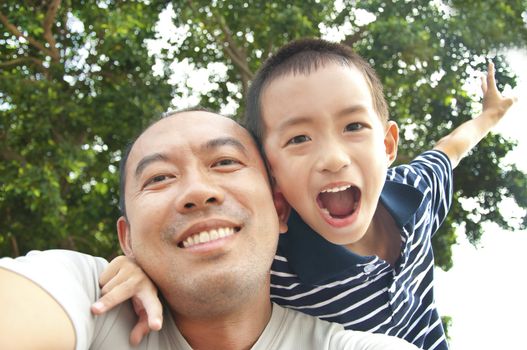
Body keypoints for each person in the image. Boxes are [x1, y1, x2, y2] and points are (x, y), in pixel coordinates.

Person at [95, 39, 516, 350]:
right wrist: (139, 270)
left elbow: (451, 149)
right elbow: (198, 268)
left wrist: (489, 116)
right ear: (271, 178)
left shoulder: (416, 191)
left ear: (387, 147)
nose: (332, 158)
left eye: (354, 127)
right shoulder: (271, 257)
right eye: (299, 138)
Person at [0, 110, 419, 350]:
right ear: (126, 239)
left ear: (278, 208)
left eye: (225, 163)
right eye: (159, 178)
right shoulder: (85, 297)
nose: (198, 192)